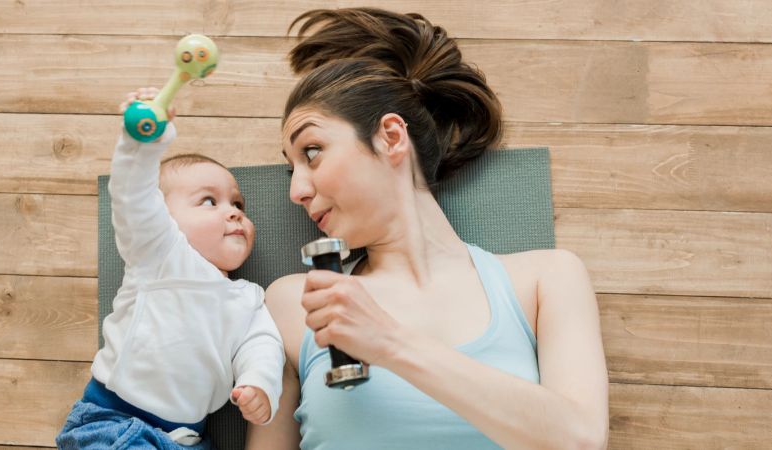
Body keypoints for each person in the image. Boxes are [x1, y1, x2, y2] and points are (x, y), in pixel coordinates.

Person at [246, 8, 609, 450]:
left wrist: (389, 343)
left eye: (313, 151)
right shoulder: (292, 302)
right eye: (291, 171)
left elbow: (581, 441)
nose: (297, 191)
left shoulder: (545, 280)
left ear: (392, 137)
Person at [56, 88, 285, 449]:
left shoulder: (249, 298)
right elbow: (133, 196)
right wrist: (142, 143)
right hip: (116, 422)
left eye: (238, 202)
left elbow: (262, 345)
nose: (234, 211)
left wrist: (259, 383)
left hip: (188, 440)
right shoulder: (160, 253)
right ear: (165, 218)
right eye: (209, 201)